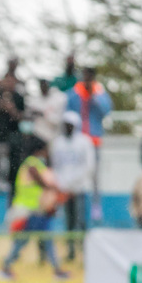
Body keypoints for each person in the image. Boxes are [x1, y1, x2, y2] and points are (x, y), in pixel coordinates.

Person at [0, 136, 68, 280]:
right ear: (40, 150)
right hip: (25, 211)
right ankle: (6, 267)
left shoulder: (38, 165)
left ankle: (57, 270)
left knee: (44, 239)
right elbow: (42, 182)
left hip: (36, 211)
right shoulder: (31, 164)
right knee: (23, 242)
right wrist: (56, 189)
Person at [66, 66, 112, 217]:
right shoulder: (74, 92)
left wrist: (93, 97)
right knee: (73, 173)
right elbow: (68, 112)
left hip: (94, 140)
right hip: (78, 140)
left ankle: (96, 206)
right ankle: (69, 206)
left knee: (95, 175)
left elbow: (106, 110)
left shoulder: (99, 91)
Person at [51, 112, 96, 261]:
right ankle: (70, 252)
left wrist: (73, 184)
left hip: (80, 189)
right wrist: (61, 186)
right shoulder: (57, 143)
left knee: (81, 222)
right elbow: (56, 166)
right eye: (65, 125)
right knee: (68, 223)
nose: (67, 128)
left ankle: (85, 253)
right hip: (64, 190)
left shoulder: (84, 142)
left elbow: (89, 166)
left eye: (69, 125)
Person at [0, 62, 25, 219]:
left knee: (12, 175)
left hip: (13, 141)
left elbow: (22, 118)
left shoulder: (19, 98)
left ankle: (11, 207)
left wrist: (12, 109)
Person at [27, 78, 67, 144]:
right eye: (41, 86)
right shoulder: (35, 101)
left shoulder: (58, 99)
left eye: (45, 85)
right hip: (38, 136)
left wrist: (43, 114)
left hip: (53, 136)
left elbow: (58, 120)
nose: (43, 88)